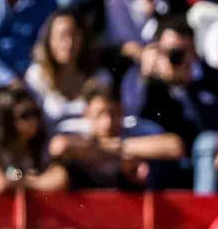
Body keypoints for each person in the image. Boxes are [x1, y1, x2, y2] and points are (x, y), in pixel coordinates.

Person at [127, 21, 218, 193]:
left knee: (207, 142)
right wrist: (150, 80)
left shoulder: (211, 77)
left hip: (204, 154)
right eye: (169, 51)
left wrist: (187, 86)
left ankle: (204, 207)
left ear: (193, 50)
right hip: (166, 153)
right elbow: (141, 119)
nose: (175, 57)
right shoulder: (151, 81)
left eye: (180, 52)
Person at [49, 80, 184, 189]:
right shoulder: (75, 129)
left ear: (121, 110)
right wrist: (103, 148)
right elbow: (59, 146)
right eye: (100, 114)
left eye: (113, 113)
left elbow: (175, 146)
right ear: (87, 113)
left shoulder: (134, 126)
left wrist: (119, 147)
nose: (107, 122)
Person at [0, 85, 68, 196]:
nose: (33, 120)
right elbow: (0, 184)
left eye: (35, 113)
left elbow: (60, 179)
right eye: (25, 115)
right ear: (8, 119)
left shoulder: (37, 144)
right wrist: (35, 181)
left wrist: (22, 182)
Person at [24, 9, 92, 124]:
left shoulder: (98, 77)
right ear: (49, 40)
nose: (69, 43)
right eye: (62, 36)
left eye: (74, 35)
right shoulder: (36, 76)